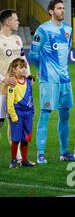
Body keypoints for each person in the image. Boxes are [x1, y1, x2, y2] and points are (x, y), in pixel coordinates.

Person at [30, 0, 75, 164]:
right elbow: (33, 55)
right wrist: (45, 70)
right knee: (45, 115)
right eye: (59, 8)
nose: (62, 11)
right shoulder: (42, 30)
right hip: (49, 80)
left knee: (65, 115)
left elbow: (66, 54)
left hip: (65, 80)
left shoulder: (68, 30)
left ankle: (64, 152)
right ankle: (40, 154)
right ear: (51, 11)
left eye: (63, 8)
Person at [0, 9, 29, 161]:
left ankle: (16, 154)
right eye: (16, 20)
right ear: (7, 22)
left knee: (14, 119)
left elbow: (23, 60)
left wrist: (28, 75)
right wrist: (3, 79)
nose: (18, 22)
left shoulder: (17, 39)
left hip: (16, 89)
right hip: (1, 89)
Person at [6, 58, 35, 168]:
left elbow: (31, 97)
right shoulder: (13, 83)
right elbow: (10, 102)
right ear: (14, 69)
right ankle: (13, 160)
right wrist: (13, 116)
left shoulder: (28, 81)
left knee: (26, 138)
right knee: (16, 139)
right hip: (17, 114)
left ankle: (24, 160)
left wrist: (32, 111)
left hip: (28, 114)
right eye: (20, 68)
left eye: (25, 68)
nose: (23, 70)